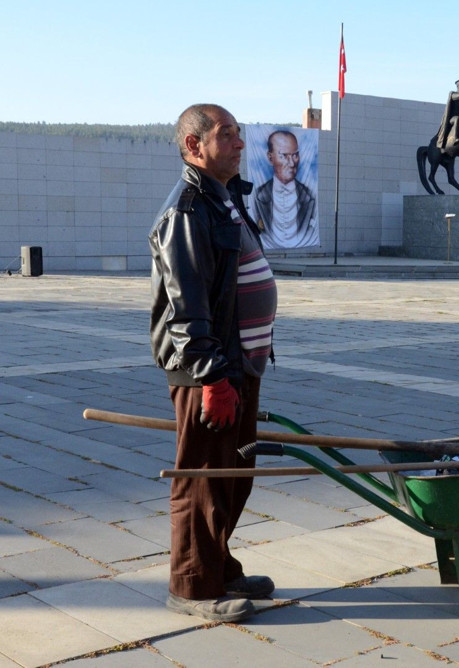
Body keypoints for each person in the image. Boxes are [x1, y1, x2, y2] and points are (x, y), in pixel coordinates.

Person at [149, 103, 277, 623]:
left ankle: (219, 567)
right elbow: (188, 302)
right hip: (210, 370)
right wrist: (210, 376)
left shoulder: (221, 200)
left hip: (235, 365)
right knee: (203, 478)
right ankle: (194, 588)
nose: (241, 144)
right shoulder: (186, 209)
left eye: (240, 134)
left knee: (232, 474)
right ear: (194, 146)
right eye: (227, 135)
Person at [252, 129, 318, 249]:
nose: (292, 163)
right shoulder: (258, 196)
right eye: (284, 156)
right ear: (270, 158)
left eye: (295, 155)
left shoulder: (309, 196)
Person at [436, 78, 459, 152]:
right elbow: (455, 97)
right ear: (458, 86)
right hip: (452, 119)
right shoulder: (453, 94)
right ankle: (455, 138)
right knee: (457, 119)